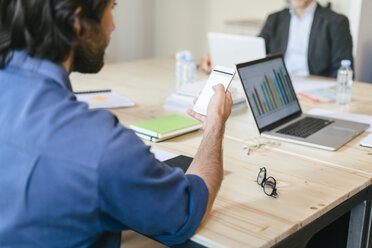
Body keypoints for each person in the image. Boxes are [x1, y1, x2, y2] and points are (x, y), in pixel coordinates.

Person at [0, 0, 232, 247]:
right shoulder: (101, 145)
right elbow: (186, 210)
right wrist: (215, 124)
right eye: (112, 8)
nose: (113, 25)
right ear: (77, 22)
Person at [202, 0, 353, 78]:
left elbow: (343, 69)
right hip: (279, 86)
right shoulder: (275, 19)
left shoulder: (336, 22)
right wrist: (217, 58)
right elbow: (253, 52)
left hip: (316, 90)